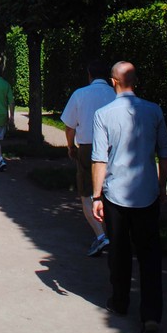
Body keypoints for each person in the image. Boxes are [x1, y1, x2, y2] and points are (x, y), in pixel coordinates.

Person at [91, 61, 167, 333]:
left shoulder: (103, 114)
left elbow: (99, 159)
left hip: (115, 194)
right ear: (135, 80)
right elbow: (165, 153)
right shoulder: (154, 110)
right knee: (150, 256)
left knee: (119, 252)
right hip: (147, 193)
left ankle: (121, 301)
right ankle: (151, 316)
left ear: (114, 82)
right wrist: (162, 186)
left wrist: (96, 195)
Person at [61, 60, 116, 256]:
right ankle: (116, 233)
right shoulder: (116, 94)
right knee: (112, 191)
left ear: (89, 75)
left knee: (86, 193)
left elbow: (69, 127)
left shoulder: (80, 94)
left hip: (87, 148)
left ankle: (101, 236)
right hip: (113, 149)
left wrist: (70, 146)